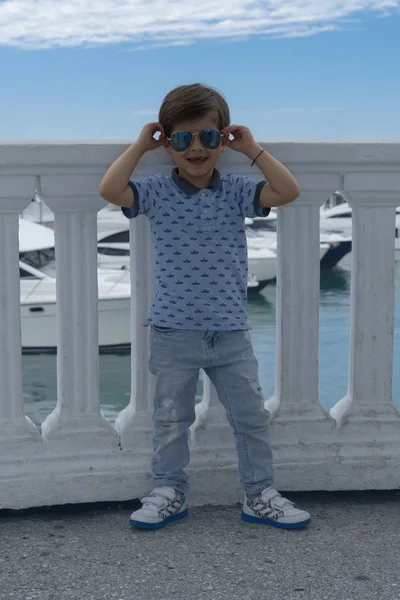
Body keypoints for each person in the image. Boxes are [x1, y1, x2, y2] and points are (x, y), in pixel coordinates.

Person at [99, 83, 311, 530]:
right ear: (169, 143)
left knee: (250, 417)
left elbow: (288, 191)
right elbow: (111, 188)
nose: (197, 148)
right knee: (171, 418)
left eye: (208, 138)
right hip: (173, 330)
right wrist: (140, 145)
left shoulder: (236, 189)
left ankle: (259, 494)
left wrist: (252, 149)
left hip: (231, 330)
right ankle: (169, 491)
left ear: (222, 140)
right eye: (183, 139)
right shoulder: (155, 191)